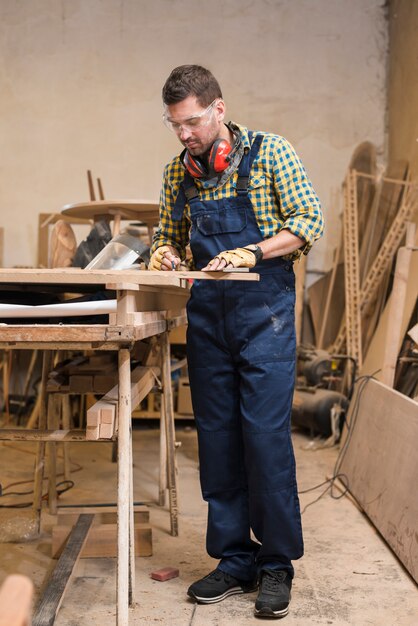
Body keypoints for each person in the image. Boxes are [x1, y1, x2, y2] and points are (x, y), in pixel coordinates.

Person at [149, 65, 324, 619]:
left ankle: (275, 564)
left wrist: (252, 251)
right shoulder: (179, 174)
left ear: (219, 110)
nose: (186, 135)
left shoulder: (271, 153)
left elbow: (309, 220)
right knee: (218, 441)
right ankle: (233, 558)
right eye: (176, 125)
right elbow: (165, 234)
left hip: (264, 315)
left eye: (194, 123)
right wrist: (164, 255)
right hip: (207, 318)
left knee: (265, 441)